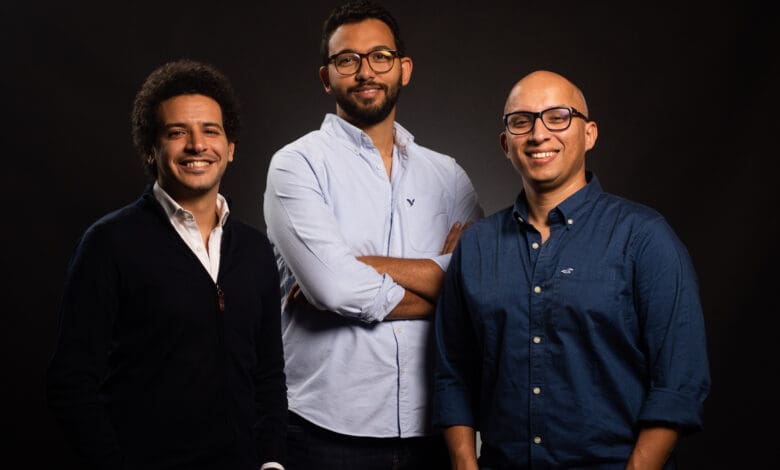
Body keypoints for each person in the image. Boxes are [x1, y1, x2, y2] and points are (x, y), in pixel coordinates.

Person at [432, 70, 711, 469]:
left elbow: (679, 379)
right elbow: (453, 372)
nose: (538, 134)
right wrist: (464, 463)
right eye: (521, 121)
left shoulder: (645, 238)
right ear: (506, 144)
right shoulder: (476, 245)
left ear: (589, 134)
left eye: (558, 117)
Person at [262, 1, 483, 468]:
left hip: (433, 430)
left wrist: (361, 267)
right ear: (326, 77)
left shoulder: (449, 176)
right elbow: (335, 288)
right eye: (348, 59)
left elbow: (481, 287)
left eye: (380, 56)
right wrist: (443, 282)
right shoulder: (296, 165)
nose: (366, 72)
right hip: (324, 431)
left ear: (404, 69)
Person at [46, 59, 287, 470]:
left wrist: (271, 461)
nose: (197, 145)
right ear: (150, 149)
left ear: (230, 148)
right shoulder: (109, 243)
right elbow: (71, 383)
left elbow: (268, 375)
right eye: (177, 132)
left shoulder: (255, 250)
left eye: (210, 131)